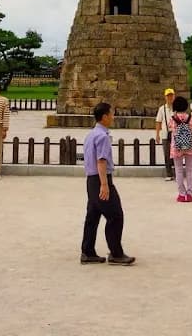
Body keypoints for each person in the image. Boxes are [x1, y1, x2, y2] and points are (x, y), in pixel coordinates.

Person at [80, 102, 134, 266]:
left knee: (93, 216)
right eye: (111, 114)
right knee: (115, 216)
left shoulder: (91, 135)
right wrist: (105, 185)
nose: (113, 117)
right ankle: (116, 253)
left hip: (91, 179)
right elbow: (101, 160)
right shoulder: (103, 137)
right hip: (101, 179)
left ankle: (88, 251)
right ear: (104, 117)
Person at [169, 95, 192, 203]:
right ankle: (189, 193)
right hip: (189, 146)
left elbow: (170, 128)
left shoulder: (173, 118)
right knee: (190, 170)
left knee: (179, 170)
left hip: (177, 146)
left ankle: (181, 193)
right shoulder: (190, 117)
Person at [153, 88, 176, 181]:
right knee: (167, 154)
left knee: (176, 154)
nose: (170, 97)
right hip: (165, 134)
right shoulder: (162, 109)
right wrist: (157, 134)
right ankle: (169, 173)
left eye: (171, 95)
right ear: (165, 97)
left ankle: (177, 172)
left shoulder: (177, 108)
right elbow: (158, 122)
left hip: (175, 134)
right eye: (168, 96)